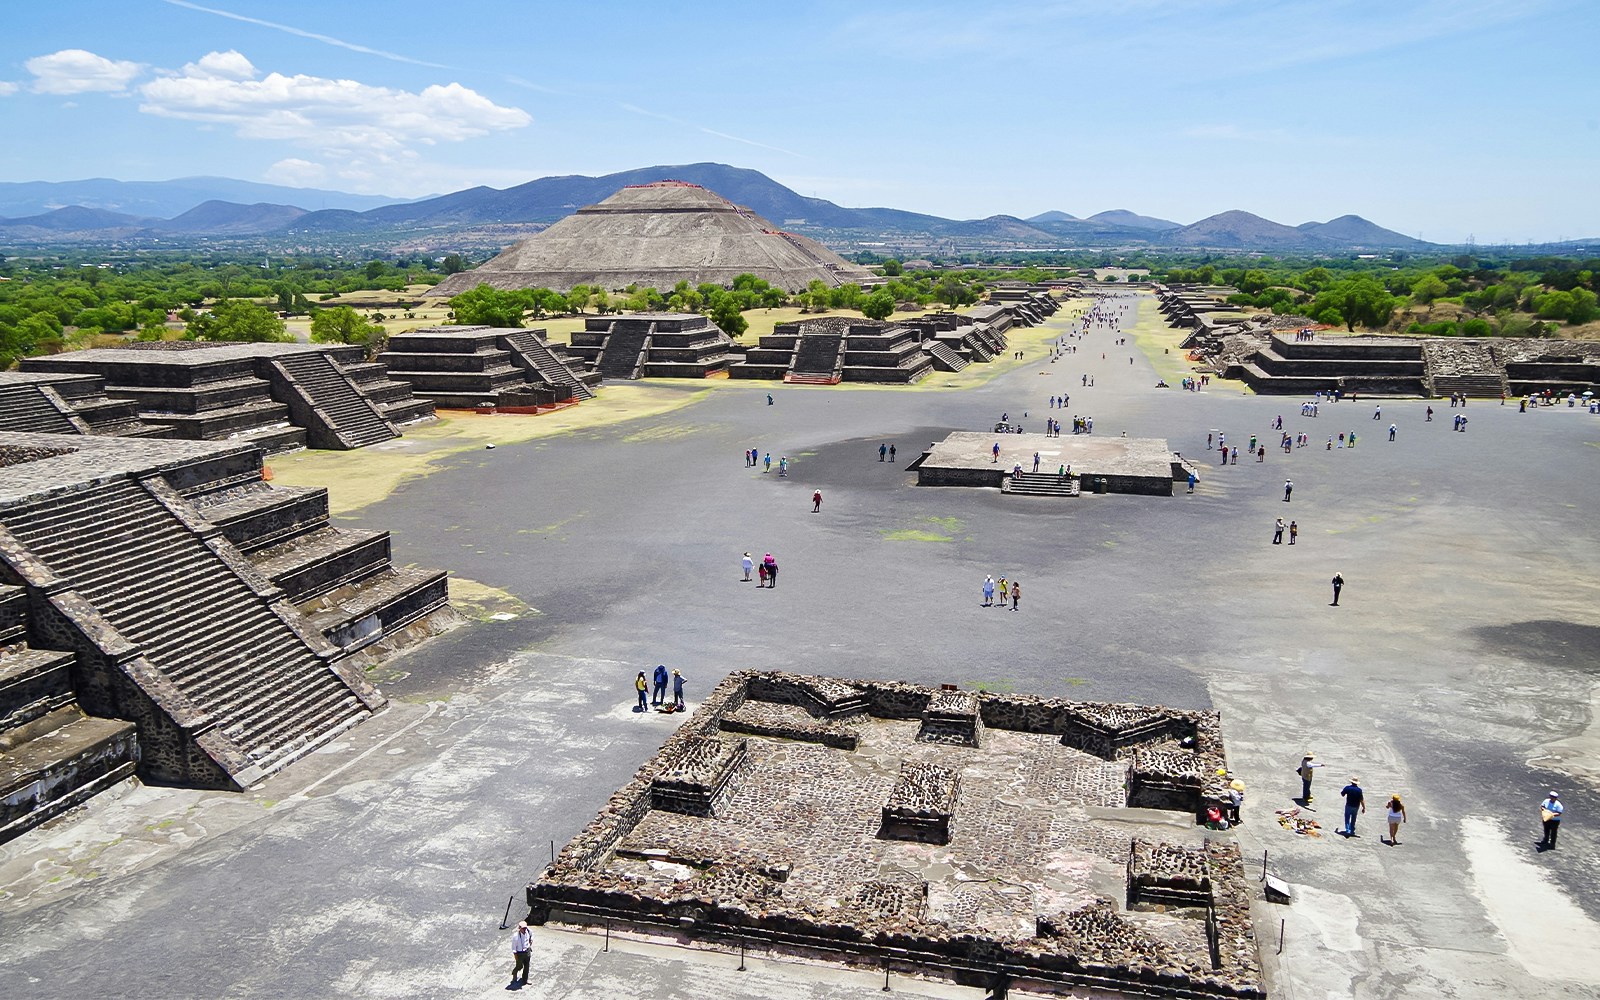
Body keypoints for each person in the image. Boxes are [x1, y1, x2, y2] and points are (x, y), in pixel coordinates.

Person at [510, 920, 533, 986]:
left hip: (527, 951)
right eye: (523, 928)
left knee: (527, 966)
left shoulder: (528, 931)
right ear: (520, 928)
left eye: (525, 928)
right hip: (519, 953)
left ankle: (525, 980)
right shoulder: (516, 936)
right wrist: (516, 956)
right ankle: (514, 972)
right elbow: (514, 947)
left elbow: (532, 935)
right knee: (519, 966)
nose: (524, 929)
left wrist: (530, 943)